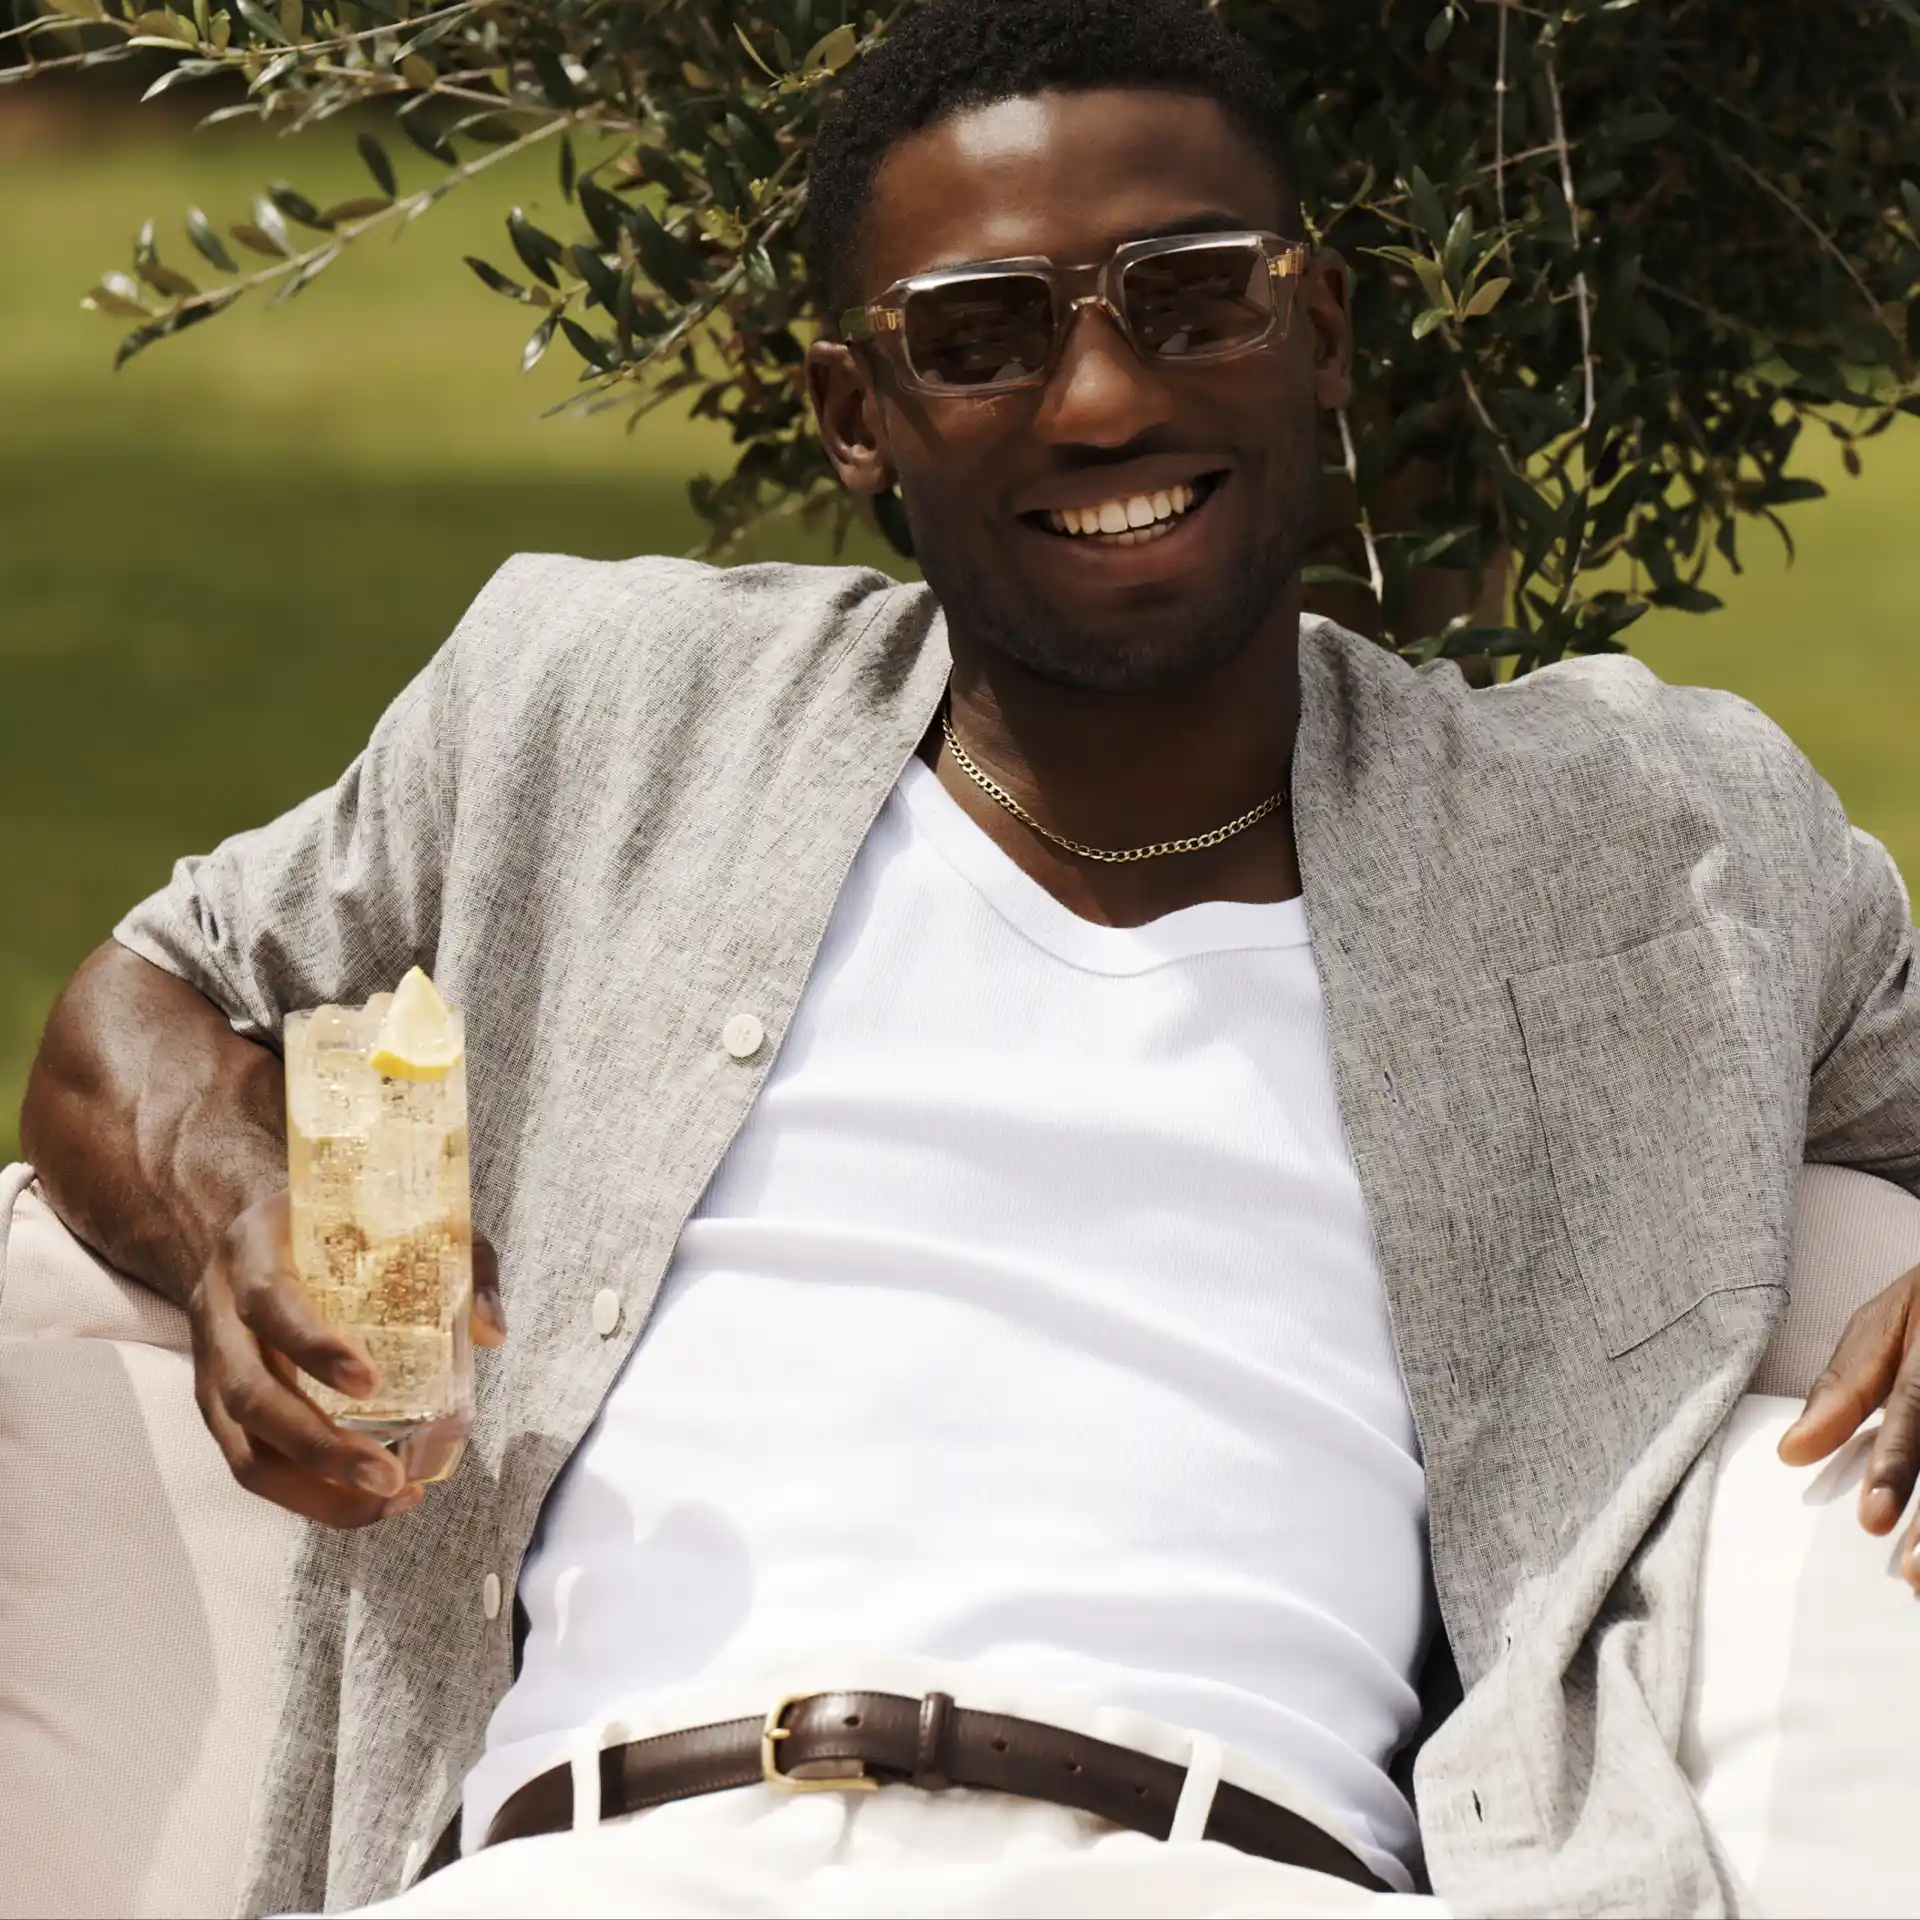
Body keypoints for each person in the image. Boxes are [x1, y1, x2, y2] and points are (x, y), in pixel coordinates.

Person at [21, 2, 1920, 1915]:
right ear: (859, 416)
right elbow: (144, 993)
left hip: (1213, 1872)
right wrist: (240, 1204)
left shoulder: (1644, 837)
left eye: (1192, 299)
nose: (1102, 402)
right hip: (596, 1866)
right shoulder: (597, 711)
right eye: (982, 337)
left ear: (1321, 331)